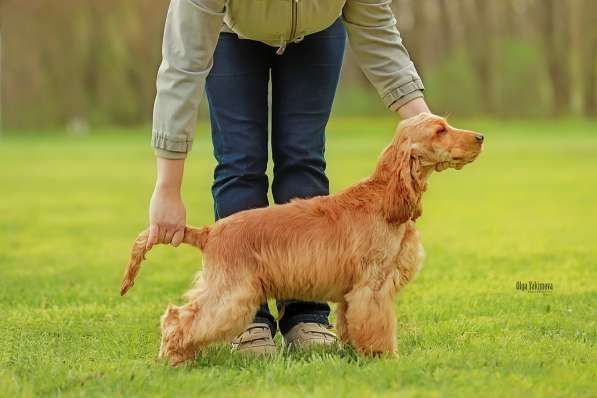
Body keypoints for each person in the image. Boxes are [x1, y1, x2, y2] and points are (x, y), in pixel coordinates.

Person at [146, 0, 430, 355]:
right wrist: (167, 187)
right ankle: (250, 319)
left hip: (317, 34)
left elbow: (379, 37)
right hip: (230, 34)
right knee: (240, 163)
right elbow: (181, 67)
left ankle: (306, 316)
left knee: (303, 160)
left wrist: (428, 129)